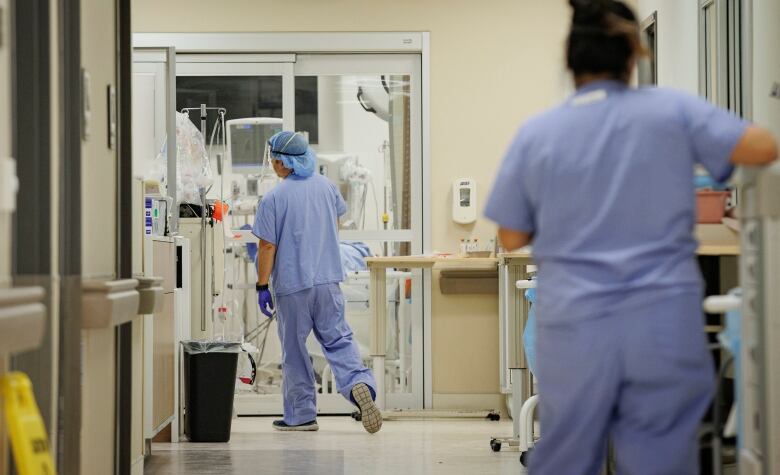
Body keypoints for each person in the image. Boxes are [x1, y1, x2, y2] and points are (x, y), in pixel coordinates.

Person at [484, 1, 778, 473]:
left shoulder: (538, 133)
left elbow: (512, 235)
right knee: (660, 458)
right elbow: (763, 146)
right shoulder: (672, 110)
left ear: (569, 58)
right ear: (633, 53)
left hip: (575, 325)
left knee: (568, 457)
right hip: (660, 322)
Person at [252, 131, 382, 434]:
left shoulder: (274, 198)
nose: (272, 164)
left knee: (295, 349)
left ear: (283, 162)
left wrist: (261, 286)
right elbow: (334, 225)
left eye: (273, 158)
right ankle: (359, 384)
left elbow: (267, 246)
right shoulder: (327, 188)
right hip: (328, 282)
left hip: (293, 286)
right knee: (339, 340)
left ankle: (300, 416)